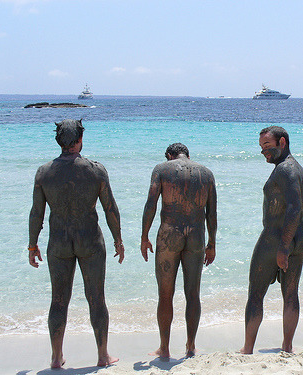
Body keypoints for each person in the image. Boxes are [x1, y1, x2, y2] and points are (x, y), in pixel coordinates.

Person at [28, 119, 125, 369]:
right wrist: (118, 239)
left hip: (58, 243)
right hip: (90, 241)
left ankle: (56, 357)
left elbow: (36, 213)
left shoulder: (44, 172)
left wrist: (32, 245)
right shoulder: (95, 170)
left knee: (58, 300)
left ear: (58, 141)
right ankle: (103, 355)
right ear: (80, 140)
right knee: (96, 298)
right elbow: (110, 208)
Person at [141, 143, 217, 359]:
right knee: (193, 293)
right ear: (188, 155)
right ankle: (191, 346)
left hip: (169, 235)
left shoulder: (162, 169)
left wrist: (144, 236)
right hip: (195, 236)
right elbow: (211, 213)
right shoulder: (206, 174)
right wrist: (212, 244)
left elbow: (151, 204)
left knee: (165, 295)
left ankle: (164, 348)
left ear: (169, 156)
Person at [240, 126, 303, 354]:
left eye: (267, 146)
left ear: (282, 142)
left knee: (256, 293)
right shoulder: (297, 168)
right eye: (261, 147)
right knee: (291, 293)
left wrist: (283, 247)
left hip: (277, 238)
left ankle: (248, 348)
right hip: (299, 236)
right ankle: (287, 346)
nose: (263, 152)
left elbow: (294, 207)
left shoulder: (284, 170)